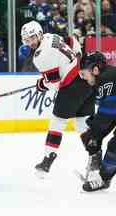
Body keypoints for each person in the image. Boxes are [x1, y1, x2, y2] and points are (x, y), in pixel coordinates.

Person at [20, 20, 95, 176]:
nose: (31, 42)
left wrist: (42, 84)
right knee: (82, 123)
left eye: (32, 38)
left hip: (72, 86)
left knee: (57, 122)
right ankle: (96, 157)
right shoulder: (50, 36)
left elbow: (55, 83)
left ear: (39, 34)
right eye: (27, 40)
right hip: (87, 80)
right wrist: (78, 58)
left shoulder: (40, 57)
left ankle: (47, 160)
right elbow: (72, 40)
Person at [79, 52, 116, 192]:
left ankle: (104, 179)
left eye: (84, 74)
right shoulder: (106, 77)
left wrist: (94, 135)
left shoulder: (105, 79)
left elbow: (108, 114)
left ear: (95, 69)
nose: (84, 78)